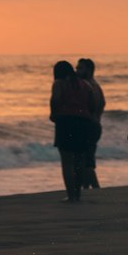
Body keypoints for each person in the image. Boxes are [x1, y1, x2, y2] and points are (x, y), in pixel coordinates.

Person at [50, 60, 95, 203]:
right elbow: (92, 104)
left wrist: (53, 114)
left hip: (66, 122)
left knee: (67, 161)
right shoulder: (85, 85)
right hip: (83, 122)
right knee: (79, 160)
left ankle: (71, 196)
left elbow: (55, 99)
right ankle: (78, 194)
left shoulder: (59, 83)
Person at [75, 57, 106, 190]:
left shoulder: (87, 86)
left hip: (89, 126)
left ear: (88, 70)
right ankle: (87, 188)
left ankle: (95, 188)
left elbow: (88, 107)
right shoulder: (96, 85)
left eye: (80, 68)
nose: (77, 71)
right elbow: (102, 104)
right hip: (96, 125)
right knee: (87, 159)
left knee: (85, 161)